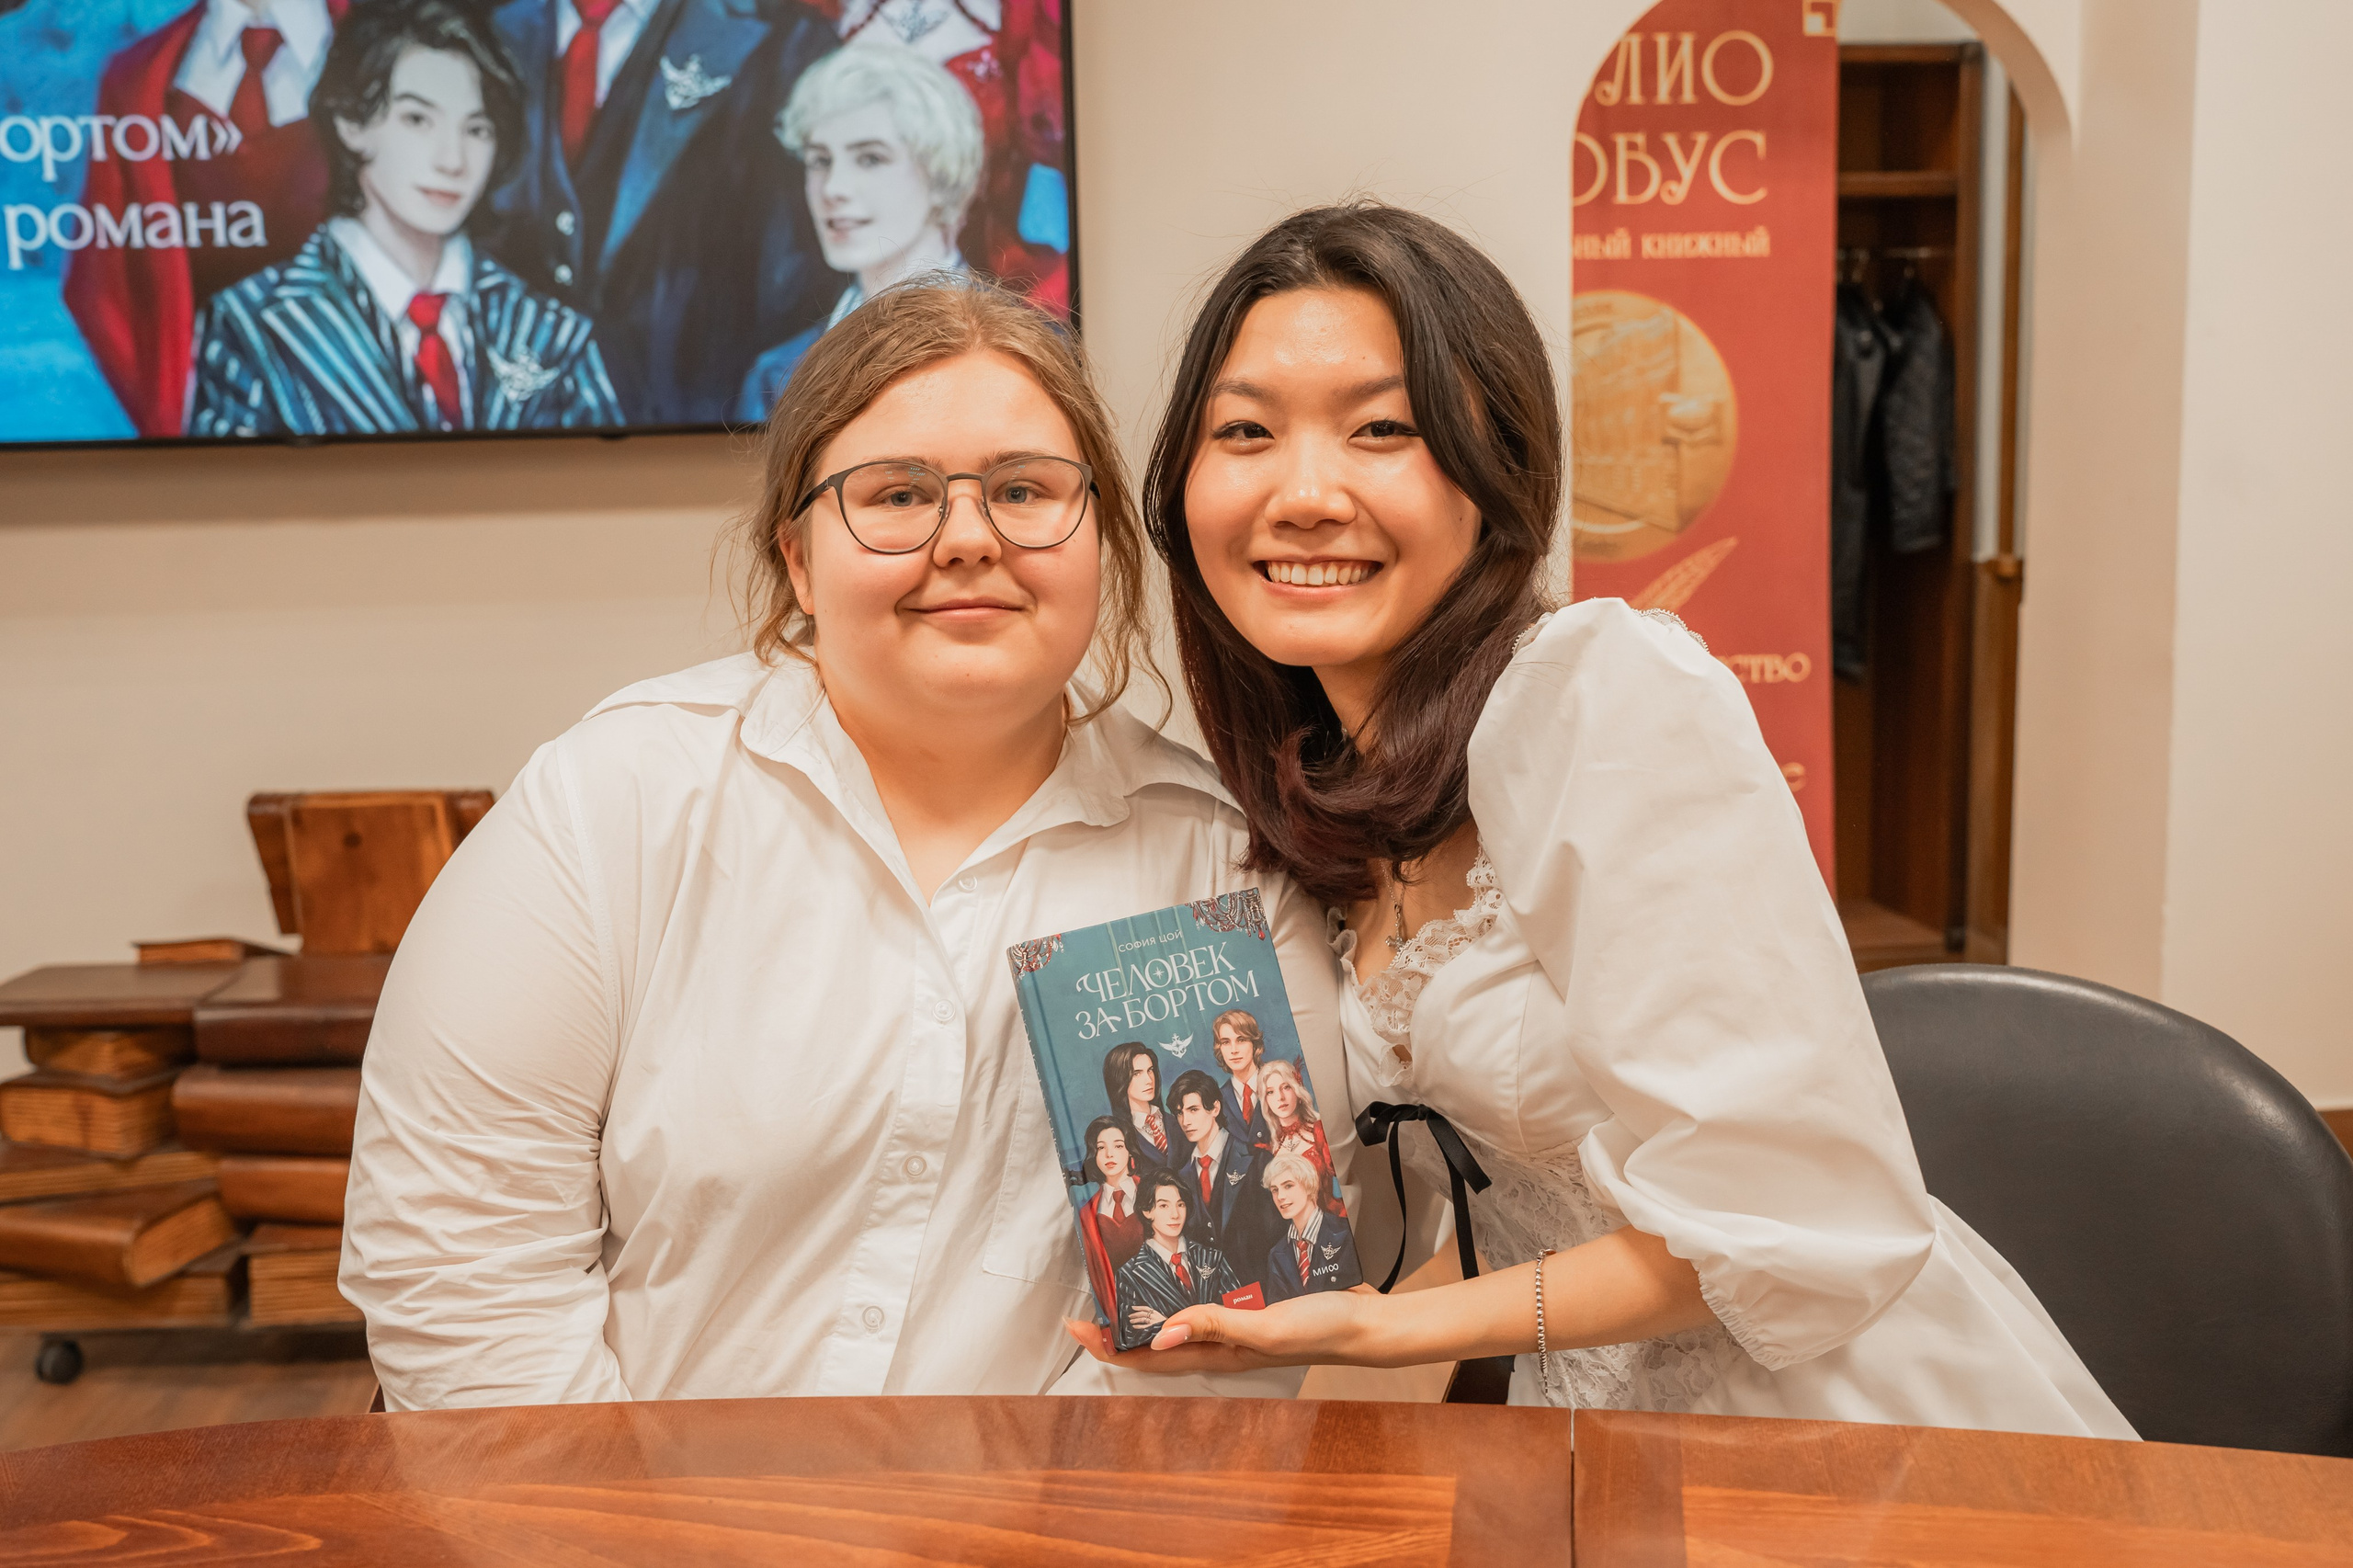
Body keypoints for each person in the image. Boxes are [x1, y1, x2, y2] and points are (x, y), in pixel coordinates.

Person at [1071, 203, 2134, 1440]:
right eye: (1245, 431)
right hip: (1592, 1435)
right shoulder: (1326, 791)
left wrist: (1375, 1329)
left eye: (1383, 430)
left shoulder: (1602, 691)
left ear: (1495, 475)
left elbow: (1800, 1220)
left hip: (1834, 1426)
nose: (1305, 492)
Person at [341, 279, 1359, 1406]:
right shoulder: (611, 803)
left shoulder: (1220, 873)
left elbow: (1230, 1328)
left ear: (1099, 541)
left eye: (1024, 489)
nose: (968, 538)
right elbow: (460, 1268)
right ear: (796, 559)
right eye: (897, 494)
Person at [186, 0, 620, 436]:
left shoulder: (551, 329)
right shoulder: (250, 326)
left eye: (477, 129)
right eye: (417, 120)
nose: (452, 161)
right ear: (350, 122)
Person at [474, 0, 838, 425]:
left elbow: (799, 290)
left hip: (704, 452)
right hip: (501, 448)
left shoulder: (789, 42)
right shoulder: (484, 27)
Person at [64, 0, 344, 437]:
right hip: (211, 435)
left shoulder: (400, 44)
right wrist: (172, 417)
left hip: (379, 411)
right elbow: (100, 285)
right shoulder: (136, 76)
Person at [735, 40, 985, 424]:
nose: (834, 188)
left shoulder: (1034, 349)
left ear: (940, 171)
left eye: (870, 158)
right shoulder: (776, 376)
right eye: (820, 161)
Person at [1166, 1068, 1277, 1279]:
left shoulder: (1257, 1161)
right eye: (1180, 1113)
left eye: (1193, 1110)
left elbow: (1276, 1236)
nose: (1185, 1121)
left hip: (1260, 1288)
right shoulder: (1179, 1178)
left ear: (1215, 1108)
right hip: (1211, 1299)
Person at [1112, 1169, 1245, 1337]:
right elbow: (1132, 1339)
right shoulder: (1130, 1274)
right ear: (1147, 1211)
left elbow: (1242, 1312)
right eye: (1164, 1206)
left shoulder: (1212, 1257)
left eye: (1180, 1204)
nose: (1175, 1215)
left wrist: (1167, 1324)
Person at [1260, 1153, 1358, 1302]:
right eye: (1275, 1190)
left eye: (1288, 1186)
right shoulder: (1276, 1253)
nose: (1280, 1196)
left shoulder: (1343, 1232)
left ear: (1307, 1185)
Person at [1074, 1117, 1145, 1324]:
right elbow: (1098, 1275)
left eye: (1118, 1145)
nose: (1109, 1154)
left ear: (1130, 1150)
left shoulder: (1155, 1192)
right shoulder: (1088, 1213)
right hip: (1122, 1315)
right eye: (1100, 1147)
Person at [1256, 1058, 1342, 1218]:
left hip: (1332, 1221)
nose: (1280, 1097)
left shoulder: (1320, 1131)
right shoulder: (1269, 1147)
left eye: (1286, 1087)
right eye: (1270, 1092)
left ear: (1298, 1090)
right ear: (1265, 1100)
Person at [1101, 1041, 1182, 1172]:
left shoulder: (1178, 1122)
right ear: (1119, 1080)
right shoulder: (1117, 1137)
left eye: (1150, 1070)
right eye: (1136, 1073)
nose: (1149, 1080)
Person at [1211, 1007, 1269, 1149]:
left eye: (1241, 1040)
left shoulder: (1277, 1082)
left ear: (1254, 1044)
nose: (1234, 1050)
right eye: (1225, 1042)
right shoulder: (1217, 1099)